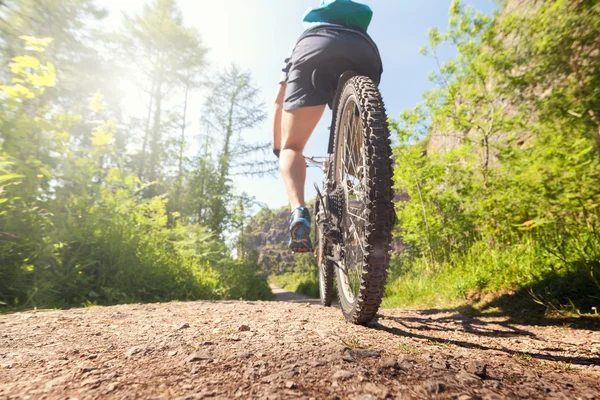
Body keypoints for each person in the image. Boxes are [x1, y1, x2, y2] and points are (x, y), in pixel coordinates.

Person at [272, 0, 383, 253]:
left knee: (293, 146)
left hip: (313, 48)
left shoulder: (305, 35)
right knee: (355, 154)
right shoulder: (359, 27)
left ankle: (298, 211)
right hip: (364, 50)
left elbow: (279, 98)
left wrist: (282, 149)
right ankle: (378, 197)